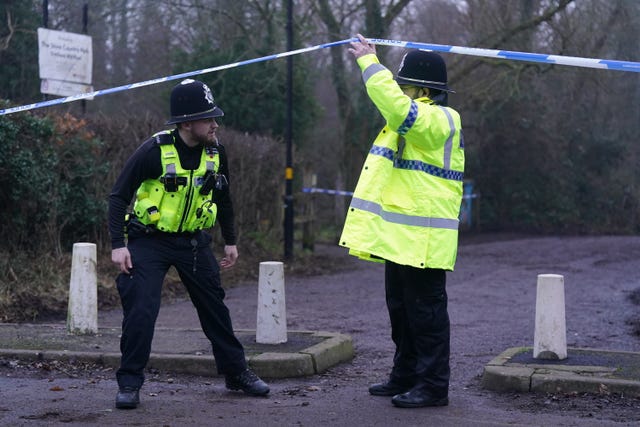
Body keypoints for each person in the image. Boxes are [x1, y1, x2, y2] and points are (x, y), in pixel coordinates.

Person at [108, 79, 269, 409]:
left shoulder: (216, 151)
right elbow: (118, 196)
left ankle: (237, 373)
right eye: (208, 118)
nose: (215, 124)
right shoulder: (153, 151)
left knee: (215, 308)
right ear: (186, 123)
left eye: (215, 117)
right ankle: (129, 382)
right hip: (148, 242)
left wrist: (231, 241)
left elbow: (223, 198)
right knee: (141, 307)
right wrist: (118, 244)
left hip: (193, 242)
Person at [339, 35, 465, 408]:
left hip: (423, 240)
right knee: (402, 312)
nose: (398, 88)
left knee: (426, 317)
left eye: (403, 83)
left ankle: (433, 387)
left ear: (423, 88)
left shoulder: (441, 118)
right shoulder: (412, 119)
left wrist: (369, 63)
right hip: (400, 238)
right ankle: (406, 375)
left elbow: (398, 109)